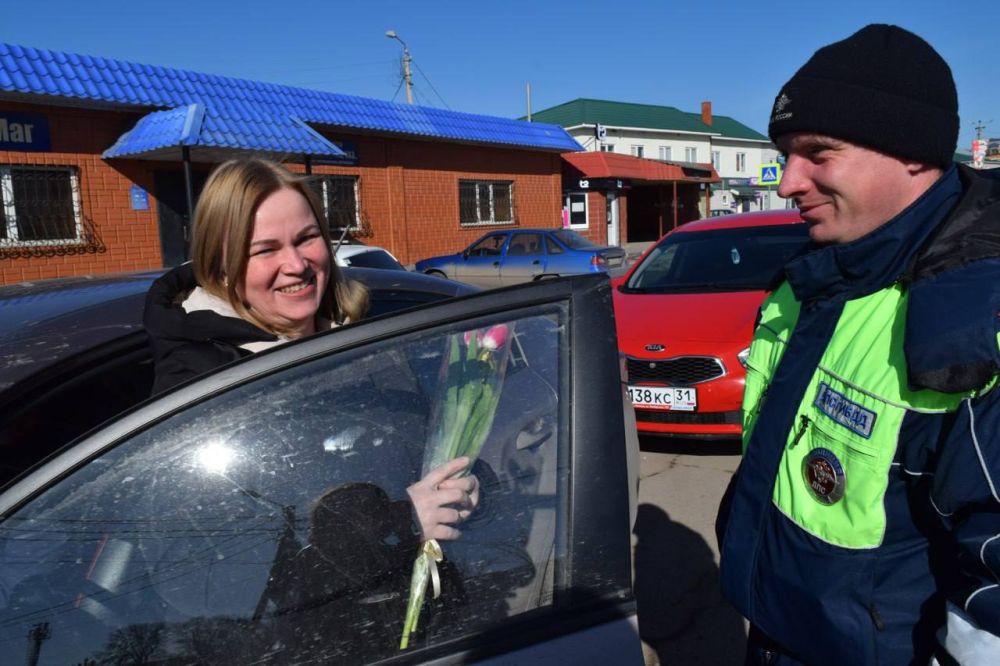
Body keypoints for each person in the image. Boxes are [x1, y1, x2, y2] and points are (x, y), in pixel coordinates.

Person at [715, 25, 1000, 666]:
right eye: (785, 153)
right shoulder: (812, 280)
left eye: (818, 151)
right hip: (776, 633)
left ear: (915, 155)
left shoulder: (973, 322)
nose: (788, 182)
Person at [143, 157, 479, 545]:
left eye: (306, 238)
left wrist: (466, 484)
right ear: (222, 265)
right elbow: (213, 568)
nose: (297, 264)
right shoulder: (200, 378)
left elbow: (423, 452)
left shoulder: (364, 339)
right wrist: (400, 523)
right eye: (265, 250)